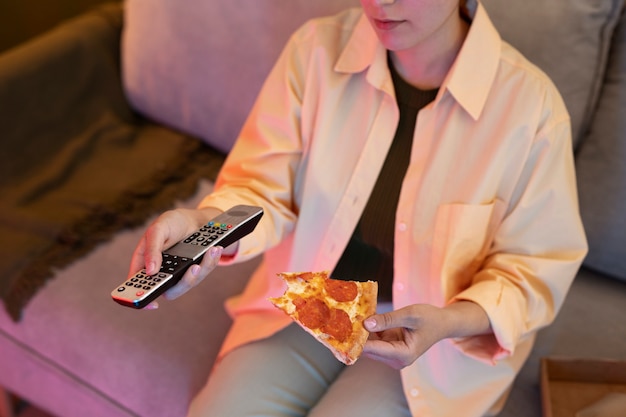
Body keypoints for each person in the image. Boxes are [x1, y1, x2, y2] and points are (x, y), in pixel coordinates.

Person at [128, 0, 587, 416]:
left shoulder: (531, 110)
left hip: (435, 344)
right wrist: (201, 224)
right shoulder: (314, 51)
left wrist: (449, 321)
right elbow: (263, 188)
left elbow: (532, 269)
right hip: (310, 301)